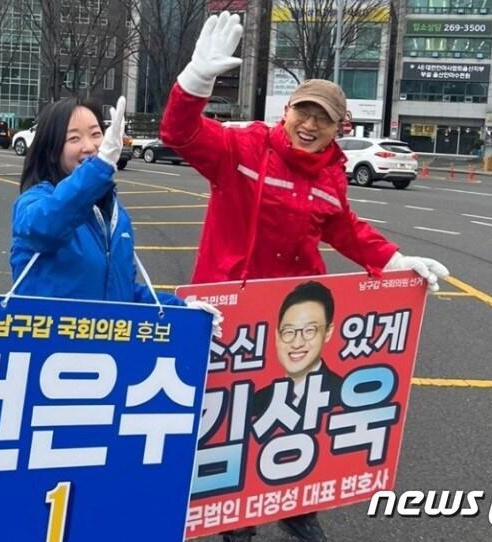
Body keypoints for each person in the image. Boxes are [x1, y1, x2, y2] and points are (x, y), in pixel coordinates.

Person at [160, 11, 449, 542]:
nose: (310, 126)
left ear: (341, 128)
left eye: (324, 119)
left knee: (294, 410)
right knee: (231, 413)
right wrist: (196, 80)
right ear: (287, 111)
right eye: (303, 113)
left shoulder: (332, 174)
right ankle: (236, 514)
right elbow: (179, 133)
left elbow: (345, 228)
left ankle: (294, 503)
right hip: (231, 311)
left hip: (297, 316)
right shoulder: (244, 148)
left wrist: (394, 262)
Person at [9, 95, 222, 331]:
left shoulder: (114, 216)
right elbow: (45, 226)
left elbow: (123, 295)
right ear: (51, 150)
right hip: (45, 352)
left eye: (96, 134)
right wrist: (99, 167)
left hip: (103, 357)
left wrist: (184, 310)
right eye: (74, 138)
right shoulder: (35, 201)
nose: (89, 146)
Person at [251, 281, 341, 422]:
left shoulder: (345, 396)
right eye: (288, 331)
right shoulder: (259, 401)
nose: (297, 343)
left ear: (328, 332)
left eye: (309, 331)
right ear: (277, 336)